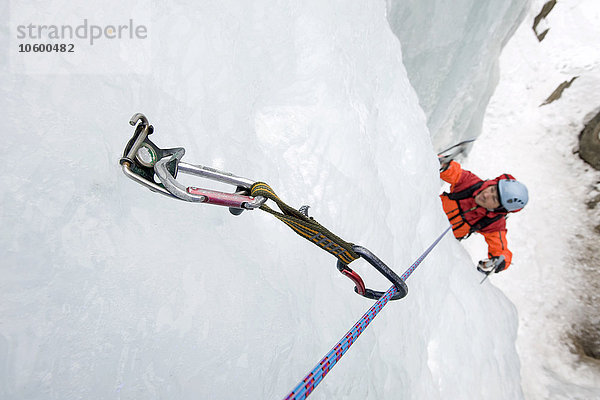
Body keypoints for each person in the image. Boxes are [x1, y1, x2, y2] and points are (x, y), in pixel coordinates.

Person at [439, 160, 529, 274]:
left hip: (440, 240)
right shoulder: (470, 183)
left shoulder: (493, 222)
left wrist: (498, 262)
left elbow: (501, 250)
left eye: (494, 199)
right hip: (422, 215)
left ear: (499, 209)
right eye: (491, 189)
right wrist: (444, 165)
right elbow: (454, 171)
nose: (486, 195)